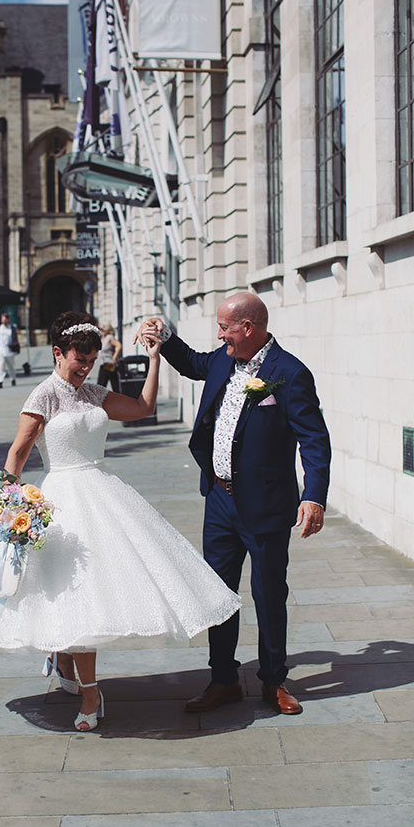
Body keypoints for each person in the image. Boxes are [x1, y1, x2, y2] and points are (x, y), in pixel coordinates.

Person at [0, 311, 240, 732]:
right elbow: (18, 453)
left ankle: (65, 659)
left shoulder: (94, 393)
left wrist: (154, 359)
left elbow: (143, 408)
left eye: (91, 360)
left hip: (103, 494)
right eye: (80, 360)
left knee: (98, 592)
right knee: (73, 595)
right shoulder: (42, 397)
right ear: (58, 353)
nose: (86, 368)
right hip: (61, 499)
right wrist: (8, 505)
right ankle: (91, 690)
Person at [135, 293, 331, 716]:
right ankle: (223, 678)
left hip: (266, 505)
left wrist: (313, 495)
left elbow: (315, 440)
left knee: (269, 594)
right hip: (220, 501)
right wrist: (162, 333)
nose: (219, 334)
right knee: (217, 594)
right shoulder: (224, 359)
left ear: (249, 328)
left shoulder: (290, 373)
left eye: (225, 327)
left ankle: (274, 681)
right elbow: (191, 363)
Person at [0, 313, 19, 389]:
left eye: (5, 319)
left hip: (9, 351)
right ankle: (0, 381)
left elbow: (15, 340)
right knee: (0, 366)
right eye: (3, 319)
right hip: (0, 350)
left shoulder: (12, 328)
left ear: (8, 320)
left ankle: (13, 378)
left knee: (11, 366)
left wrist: (12, 346)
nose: (4, 321)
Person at [96, 324, 122, 392]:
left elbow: (119, 345)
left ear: (107, 330)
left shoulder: (110, 337)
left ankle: (118, 400)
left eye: (102, 329)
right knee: (101, 385)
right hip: (103, 363)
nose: (100, 331)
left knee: (102, 385)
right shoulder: (103, 338)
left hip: (109, 363)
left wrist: (114, 357)